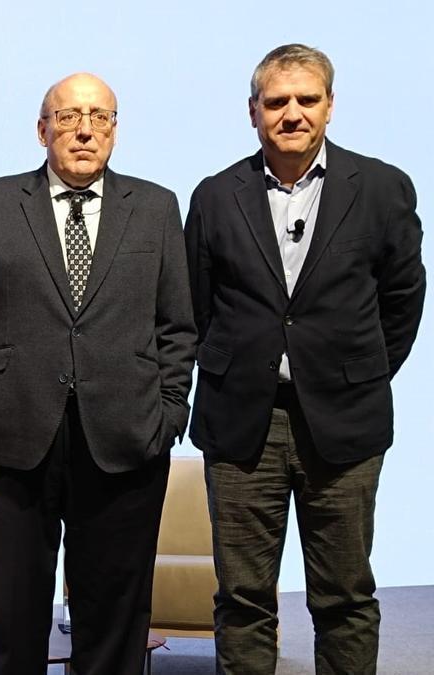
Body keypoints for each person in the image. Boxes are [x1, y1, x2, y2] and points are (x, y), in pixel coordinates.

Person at [0, 73, 195, 674]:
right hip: (14, 436)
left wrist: (168, 413)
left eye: (100, 117)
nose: (85, 129)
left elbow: (178, 326)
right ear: (42, 129)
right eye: (70, 115)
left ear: (114, 129)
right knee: (15, 611)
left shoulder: (156, 207)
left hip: (127, 438)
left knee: (115, 612)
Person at [185, 44, 425, 674]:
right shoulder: (214, 196)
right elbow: (197, 307)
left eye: (306, 100)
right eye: (277, 102)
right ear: (253, 112)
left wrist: (350, 374)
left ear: (330, 106)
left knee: (344, 597)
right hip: (242, 428)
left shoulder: (381, 187)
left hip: (345, 424)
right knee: (242, 599)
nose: (292, 113)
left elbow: (402, 302)